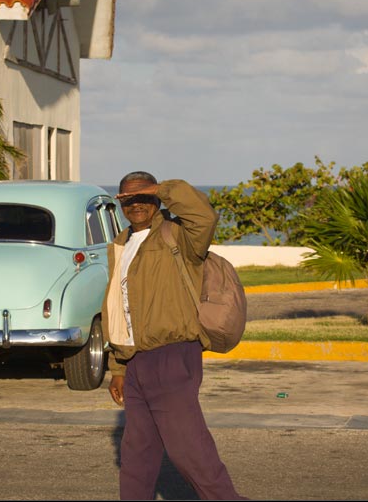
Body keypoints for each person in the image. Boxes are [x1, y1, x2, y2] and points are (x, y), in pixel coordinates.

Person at [102, 171, 246, 500]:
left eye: (144, 196)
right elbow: (117, 305)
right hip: (136, 361)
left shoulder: (178, 235)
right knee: (137, 455)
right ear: (121, 202)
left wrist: (164, 189)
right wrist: (118, 367)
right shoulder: (120, 244)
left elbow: (204, 215)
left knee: (190, 454)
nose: (136, 203)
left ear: (156, 197)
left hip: (172, 355)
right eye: (128, 198)